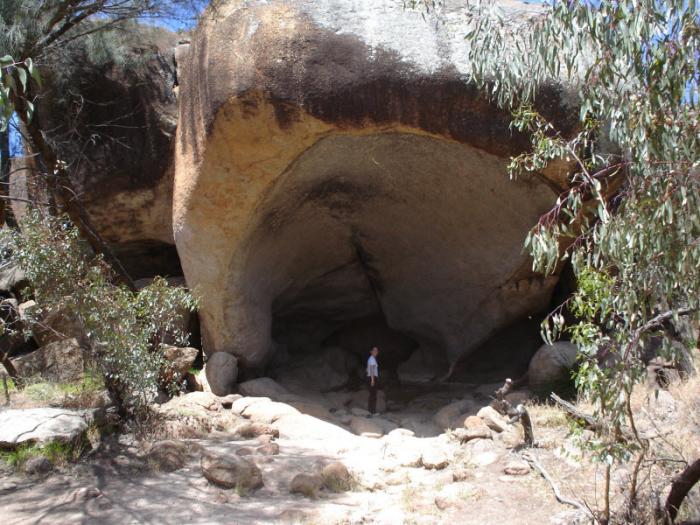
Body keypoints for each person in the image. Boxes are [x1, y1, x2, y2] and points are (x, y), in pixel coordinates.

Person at [367, 346, 379, 414]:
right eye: (374, 350)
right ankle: (372, 411)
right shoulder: (372, 359)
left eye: (377, 351)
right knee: (373, 395)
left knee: (372, 394)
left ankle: (371, 411)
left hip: (372, 377)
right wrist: (372, 380)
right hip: (372, 377)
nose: (376, 352)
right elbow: (371, 370)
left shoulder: (371, 359)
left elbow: (368, 369)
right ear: (371, 352)